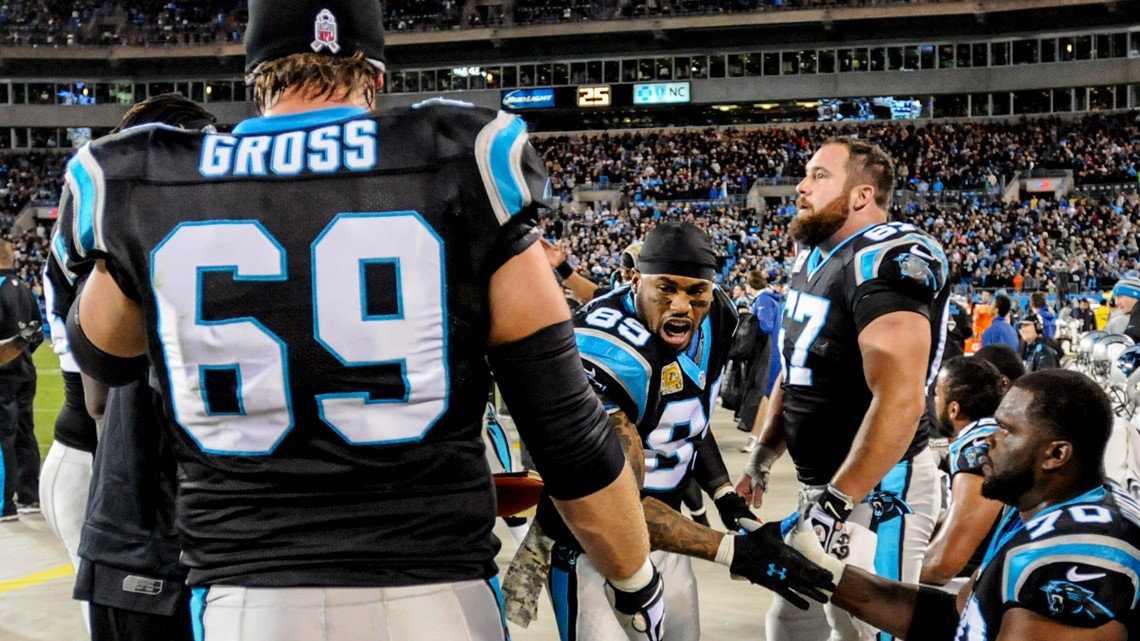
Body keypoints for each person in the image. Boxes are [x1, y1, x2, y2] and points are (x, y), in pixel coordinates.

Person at [59, 1, 666, 638]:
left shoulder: (152, 182)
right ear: (374, 75)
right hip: (434, 594)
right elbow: (566, 434)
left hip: (250, 602)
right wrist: (635, 583)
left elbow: (104, 356)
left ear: (257, 74)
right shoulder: (460, 161)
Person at [526, 221, 832, 641]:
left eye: (695, 293)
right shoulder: (605, 347)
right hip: (595, 550)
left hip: (670, 537)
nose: (682, 305)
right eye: (666, 288)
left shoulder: (719, 315)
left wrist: (725, 495)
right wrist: (732, 551)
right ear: (635, 278)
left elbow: (687, 420)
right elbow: (615, 509)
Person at [736, 137, 948, 641]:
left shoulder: (889, 256)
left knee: (866, 627)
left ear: (861, 195)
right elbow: (800, 371)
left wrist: (836, 502)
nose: (802, 186)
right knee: (791, 618)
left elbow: (900, 398)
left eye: (819, 176)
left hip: (881, 487)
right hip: (825, 486)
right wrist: (761, 460)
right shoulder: (812, 258)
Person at [787, 369, 1140, 641]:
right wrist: (822, 572)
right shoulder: (1037, 507)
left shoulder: (1079, 553)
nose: (989, 439)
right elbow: (955, 618)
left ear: (1056, 454)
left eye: (1006, 430)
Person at [57, 94, 220, 641]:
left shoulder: (122, 239)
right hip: (243, 535)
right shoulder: (260, 217)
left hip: (141, 525)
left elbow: (100, 396)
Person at [920, 357, 1005, 590]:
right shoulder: (994, 432)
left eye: (936, 395)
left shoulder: (978, 447)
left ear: (954, 409)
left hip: (994, 583)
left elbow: (943, 565)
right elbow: (957, 515)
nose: (933, 401)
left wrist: (888, 570)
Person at [0, 239, 45, 522]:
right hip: (25, 374)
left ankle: (5, 504)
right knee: (25, 434)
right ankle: (30, 496)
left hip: (2, 375)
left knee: (3, 436)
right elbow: (36, 335)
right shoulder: (26, 290)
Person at [737, 270, 781, 451]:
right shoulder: (770, 299)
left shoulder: (763, 300)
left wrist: (748, 316)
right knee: (771, 397)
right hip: (773, 351)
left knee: (763, 395)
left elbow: (764, 326)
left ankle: (755, 437)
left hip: (770, 353)